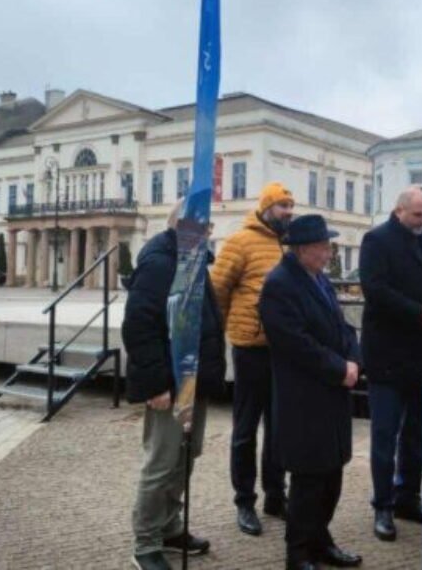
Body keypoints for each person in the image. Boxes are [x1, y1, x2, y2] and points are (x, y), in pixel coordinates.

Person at [123, 201, 227, 570]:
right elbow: (139, 326)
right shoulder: (159, 263)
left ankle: (169, 526)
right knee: (163, 461)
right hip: (169, 381)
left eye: (210, 225)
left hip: (191, 378)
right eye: (204, 224)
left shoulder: (194, 261)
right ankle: (146, 542)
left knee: (186, 457)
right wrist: (155, 384)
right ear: (182, 225)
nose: (209, 231)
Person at [259, 214, 363, 570]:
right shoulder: (280, 284)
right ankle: (298, 552)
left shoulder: (317, 278)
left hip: (331, 393)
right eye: (323, 246)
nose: (328, 251)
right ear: (303, 249)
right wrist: (339, 368)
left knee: (331, 473)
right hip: (304, 397)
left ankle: (321, 540)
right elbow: (295, 344)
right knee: (308, 479)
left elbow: (342, 326)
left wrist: (353, 357)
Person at [358, 187, 422, 541]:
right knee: (385, 435)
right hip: (387, 355)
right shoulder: (376, 240)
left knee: (416, 434)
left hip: (421, 352)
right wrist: (418, 313)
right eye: (417, 215)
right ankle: (383, 505)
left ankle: (407, 496)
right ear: (399, 211)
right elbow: (375, 290)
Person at [210, 182, 294, 535]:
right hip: (249, 349)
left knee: (279, 429)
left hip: (283, 351)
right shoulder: (240, 241)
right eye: (283, 206)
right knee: (246, 430)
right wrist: (229, 332)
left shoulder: (287, 244)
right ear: (266, 207)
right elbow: (217, 291)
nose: (289, 212)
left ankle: (276, 495)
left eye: (291, 206)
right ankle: (245, 501)